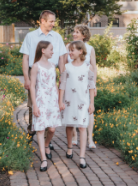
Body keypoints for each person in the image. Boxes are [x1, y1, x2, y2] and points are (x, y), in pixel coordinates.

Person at [20, 10, 67, 150]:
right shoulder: (31, 36)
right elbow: (25, 59)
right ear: (42, 21)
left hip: (51, 73)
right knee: (32, 105)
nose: (53, 24)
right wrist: (26, 79)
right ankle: (31, 131)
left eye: (54, 21)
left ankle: (47, 139)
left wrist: (62, 77)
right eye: (51, 21)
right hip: (34, 72)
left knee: (50, 106)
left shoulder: (57, 37)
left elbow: (61, 59)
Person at [59, 41, 95, 168]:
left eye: (72, 50)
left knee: (82, 127)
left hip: (83, 101)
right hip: (69, 101)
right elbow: (62, 84)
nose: (70, 53)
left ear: (81, 51)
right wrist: (60, 101)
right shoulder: (66, 67)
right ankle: (69, 147)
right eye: (69, 50)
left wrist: (92, 103)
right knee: (69, 125)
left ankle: (82, 156)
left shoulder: (88, 67)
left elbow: (91, 86)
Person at [30, 41, 61, 172]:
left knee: (52, 129)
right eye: (51, 49)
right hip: (41, 100)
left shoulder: (53, 65)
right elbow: (32, 86)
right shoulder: (36, 66)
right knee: (41, 129)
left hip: (52, 100)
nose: (53, 52)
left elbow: (55, 84)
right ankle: (43, 159)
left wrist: (59, 100)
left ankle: (47, 144)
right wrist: (34, 106)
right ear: (43, 50)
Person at [64, 25, 97, 149]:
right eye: (73, 31)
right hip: (71, 83)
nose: (74, 34)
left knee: (89, 109)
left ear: (84, 35)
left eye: (77, 32)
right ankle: (74, 136)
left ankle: (90, 139)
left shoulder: (90, 48)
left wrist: (94, 84)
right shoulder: (68, 47)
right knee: (71, 108)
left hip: (85, 84)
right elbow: (64, 65)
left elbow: (93, 67)